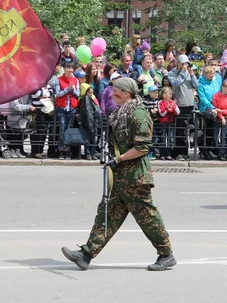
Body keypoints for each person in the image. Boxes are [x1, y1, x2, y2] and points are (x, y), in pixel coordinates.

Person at [61, 77, 175, 271]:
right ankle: (86, 253)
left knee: (147, 217)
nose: (112, 94)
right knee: (107, 214)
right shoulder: (122, 113)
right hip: (122, 175)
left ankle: (166, 254)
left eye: (116, 91)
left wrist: (119, 159)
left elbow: (143, 147)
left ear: (126, 93)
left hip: (136, 177)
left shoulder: (138, 114)